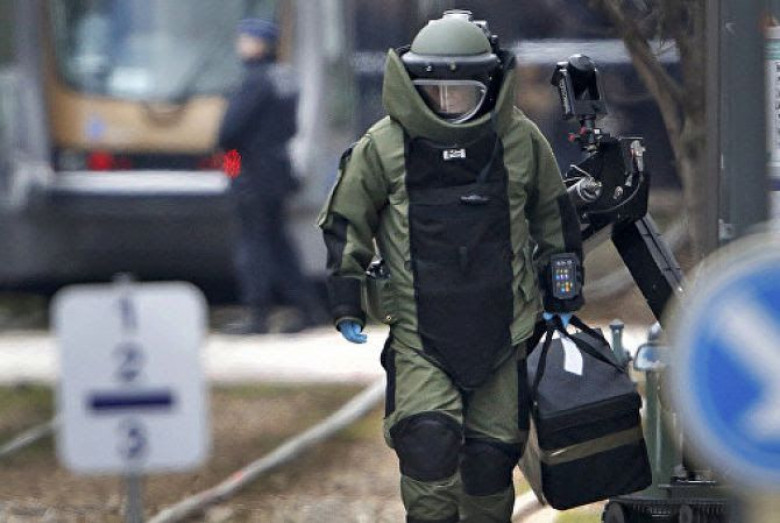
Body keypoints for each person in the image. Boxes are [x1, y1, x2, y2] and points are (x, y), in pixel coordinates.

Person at [318, 10, 584, 523]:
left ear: (488, 87)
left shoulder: (520, 140)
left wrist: (562, 291)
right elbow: (347, 220)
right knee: (427, 442)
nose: (447, 102)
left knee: (491, 458)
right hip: (420, 332)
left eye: (461, 92)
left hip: (504, 330)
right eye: (435, 92)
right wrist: (346, 299)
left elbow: (554, 217)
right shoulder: (384, 146)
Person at [219, 19, 321, 334]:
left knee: (253, 245)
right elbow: (291, 128)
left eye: (245, 40)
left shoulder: (255, 80)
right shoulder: (285, 77)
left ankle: (257, 315)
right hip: (278, 170)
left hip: (250, 171)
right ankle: (307, 308)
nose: (240, 45)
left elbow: (229, 135)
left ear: (259, 44)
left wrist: (232, 174)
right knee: (278, 242)